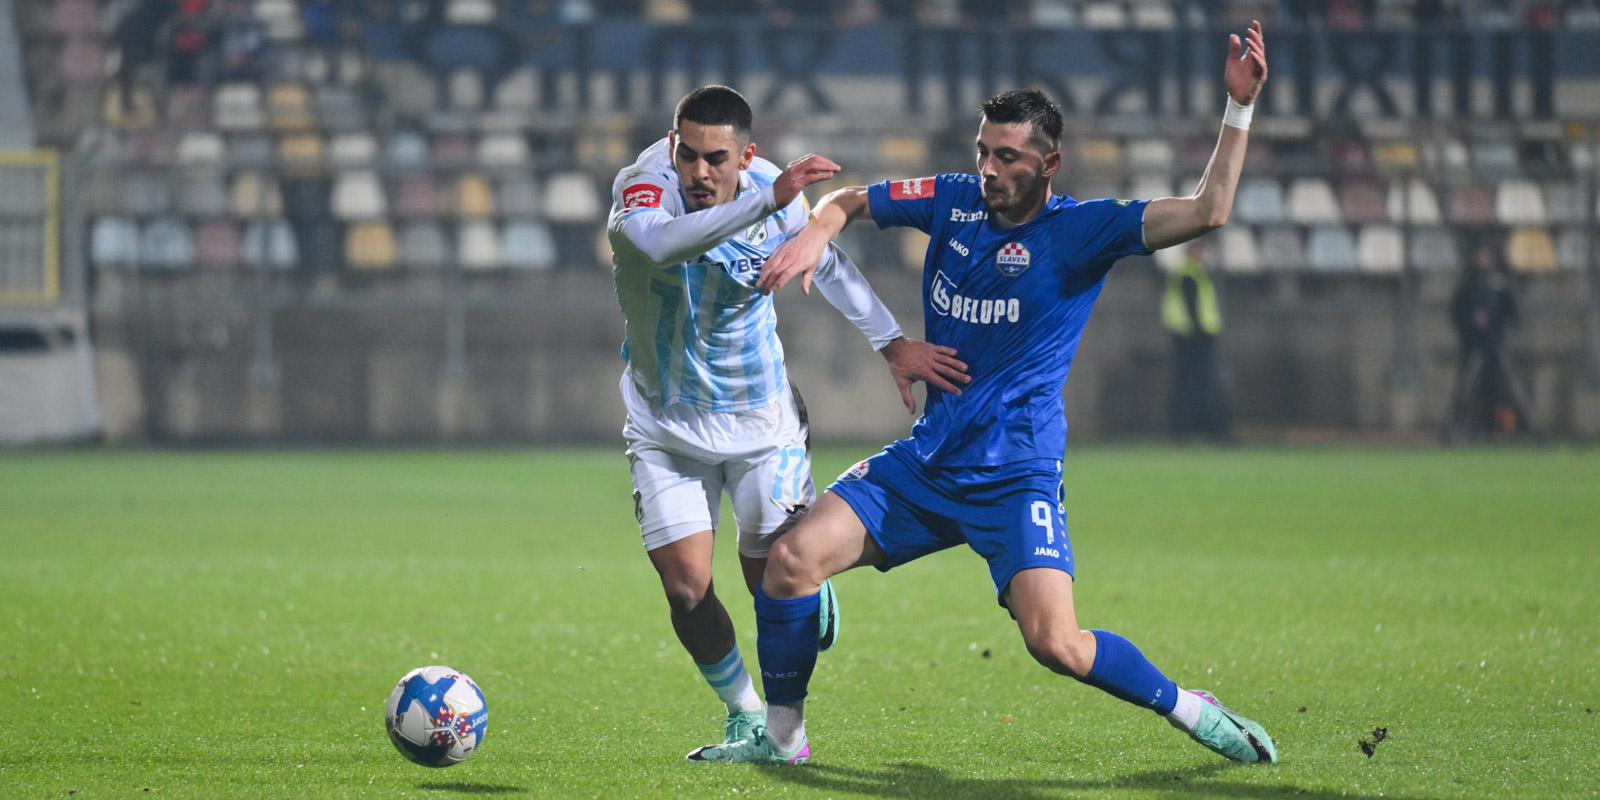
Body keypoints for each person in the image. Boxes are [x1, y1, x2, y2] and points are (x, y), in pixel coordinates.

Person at [688, 22, 1277, 765]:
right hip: (928, 463)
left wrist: (1239, 110)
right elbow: (851, 199)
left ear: (1049, 162)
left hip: (1015, 475)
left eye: (1007, 156)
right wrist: (815, 231)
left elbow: (1208, 212)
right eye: (982, 151)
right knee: (788, 563)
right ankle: (783, 738)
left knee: (1056, 644)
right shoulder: (952, 201)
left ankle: (1192, 708)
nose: (989, 168)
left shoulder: (1083, 232)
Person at [607, 86, 970, 752]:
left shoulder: (777, 195)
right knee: (687, 588)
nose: (698, 172)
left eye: (715, 157)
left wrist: (892, 342)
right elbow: (661, 248)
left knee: (771, 577)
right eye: (686, 153)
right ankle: (747, 714)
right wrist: (763, 202)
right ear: (671, 145)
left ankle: (796, 626)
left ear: (746, 153)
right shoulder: (643, 188)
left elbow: (824, 262)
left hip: (759, 420)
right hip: (665, 422)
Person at [1446, 243, 1534, 441]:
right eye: (1481, 255)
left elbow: (1511, 312)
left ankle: (1525, 428)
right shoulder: (1468, 284)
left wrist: (1506, 327)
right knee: (1466, 388)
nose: (1484, 260)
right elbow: (1456, 312)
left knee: (1507, 387)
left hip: (1496, 343)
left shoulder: (1499, 283)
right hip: (1475, 344)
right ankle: (1454, 428)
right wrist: (1469, 328)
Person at [1162, 241, 1230, 441]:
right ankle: (1204, 430)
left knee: (1187, 384)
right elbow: (1193, 308)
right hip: (1193, 338)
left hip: (1189, 336)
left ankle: (1185, 430)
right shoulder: (1190, 274)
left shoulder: (1190, 273)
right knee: (1197, 384)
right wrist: (1200, 333)